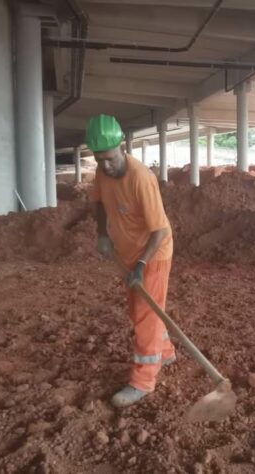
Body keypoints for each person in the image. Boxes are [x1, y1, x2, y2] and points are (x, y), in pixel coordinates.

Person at [87, 114, 176, 408]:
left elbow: (160, 230)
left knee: (145, 315)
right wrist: (102, 233)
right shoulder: (103, 172)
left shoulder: (141, 178)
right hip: (128, 253)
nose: (106, 165)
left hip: (154, 253)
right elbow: (98, 202)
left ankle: (143, 381)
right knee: (142, 310)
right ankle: (164, 350)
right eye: (100, 160)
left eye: (110, 158)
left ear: (122, 147)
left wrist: (141, 265)